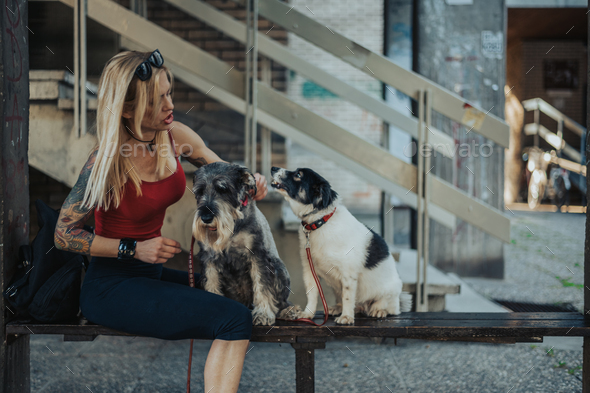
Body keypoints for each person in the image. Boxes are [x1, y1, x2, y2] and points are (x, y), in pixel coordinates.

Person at [54, 49, 268, 393]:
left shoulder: (176, 138)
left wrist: (253, 185)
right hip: (111, 287)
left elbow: (228, 176)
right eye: (157, 100)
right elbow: (64, 234)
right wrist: (133, 249)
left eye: (169, 92)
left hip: (151, 276)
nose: (170, 105)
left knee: (236, 289)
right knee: (234, 318)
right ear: (126, 109)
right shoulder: (106, 161)